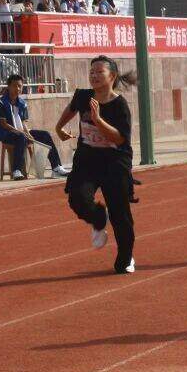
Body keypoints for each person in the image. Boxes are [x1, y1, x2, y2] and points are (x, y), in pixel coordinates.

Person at [54, 56, 138, 274]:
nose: (94, 76)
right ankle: (99, 219)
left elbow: (120, 139)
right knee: (77, 198)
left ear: (112, 76)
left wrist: (97, 119)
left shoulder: (119, 106)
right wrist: (59, 127)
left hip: (114, 161)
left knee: (120, 215)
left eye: (99, 72)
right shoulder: (83, 96)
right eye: (92, 72)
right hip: (87, 158)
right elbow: (71, 108)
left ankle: (126, 258)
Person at [0, 75, 70, 179]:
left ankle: (56, 167)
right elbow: (3, 124)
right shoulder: (1, 103)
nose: (17, 89)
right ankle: (16, 170)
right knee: (21, 137)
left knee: (44, 135)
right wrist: (22, 133)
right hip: (5, 132)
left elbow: (23, 122)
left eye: (20, 86)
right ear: (9, 86)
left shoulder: (22, 103)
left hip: (20, 132)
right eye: (14, 86)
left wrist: (28, 134)